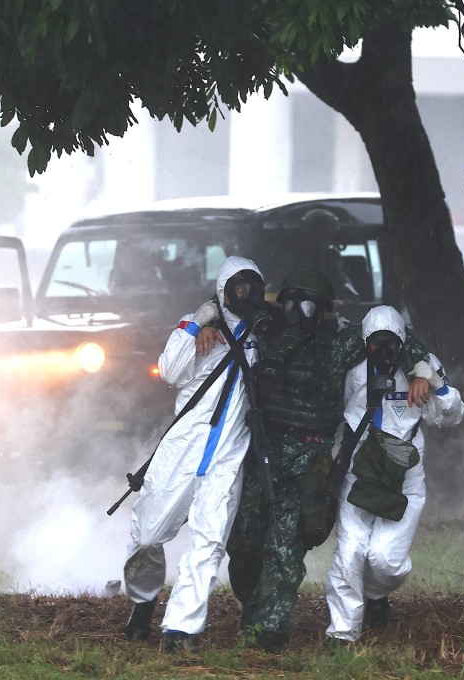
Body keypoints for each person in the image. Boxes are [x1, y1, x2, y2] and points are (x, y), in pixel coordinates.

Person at [194, 270, 431, 653]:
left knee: (285, 544)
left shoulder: (340, 342)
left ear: (324, 310)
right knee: (244, 542)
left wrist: (420, 370)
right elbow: (226, 307)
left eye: (309, 303)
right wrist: (205, 323)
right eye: (291, 300)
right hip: (261, 452)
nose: (298, 310)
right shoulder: (266, 329)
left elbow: (393, 336)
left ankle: (268, 627)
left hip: (308, 459)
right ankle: (253, 607)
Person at [122, 255, 270, 653]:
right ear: (223, 291)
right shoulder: (197, 326)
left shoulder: (265, 332)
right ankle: (142, 600)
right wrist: (198, 324)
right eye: (239, 288)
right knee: (148, 534)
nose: (247, 295)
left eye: (254, 287)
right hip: (181, 449)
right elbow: (170, 372)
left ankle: (180, 629)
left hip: (228, 456)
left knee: (209, 540)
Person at [325, 305, 464, 645]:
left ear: (402, 341)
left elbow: (451, 416)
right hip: (359, 471)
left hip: (404, 476)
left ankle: (375, 595)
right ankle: (342, 632)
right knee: (350, 551)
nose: (384, 350)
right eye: (376, 343)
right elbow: (330, 409)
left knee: (385, 561)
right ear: (365, 342)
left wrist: (435, 383)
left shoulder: (421, 366)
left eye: (391, 343)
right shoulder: (350, 367)